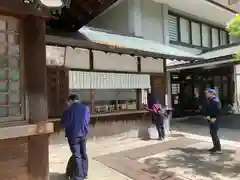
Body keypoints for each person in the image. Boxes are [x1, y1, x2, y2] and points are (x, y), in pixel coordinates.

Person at [61, 94, 90, 180]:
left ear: (70, 101)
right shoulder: (85, 108)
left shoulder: (68, 110)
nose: (67, 104)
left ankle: (78, 177)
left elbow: (64, 123)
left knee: (77, 155)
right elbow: (87, 120)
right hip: (84, 134)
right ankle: (84, 173)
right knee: (83, 153)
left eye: (68, 102)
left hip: (73, 135)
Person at [204, 89, 221, 154]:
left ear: (212, 94)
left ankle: (218, 148)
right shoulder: (210, 100)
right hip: (211, 119)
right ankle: (215, 147)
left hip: (214, 120)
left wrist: (212, 118)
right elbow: (208, 109)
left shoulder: (216, 101)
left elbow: (217, 111)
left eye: (208, 93)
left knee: (214, 134)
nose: (207, 94)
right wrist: (207, 116)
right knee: (212, 134)